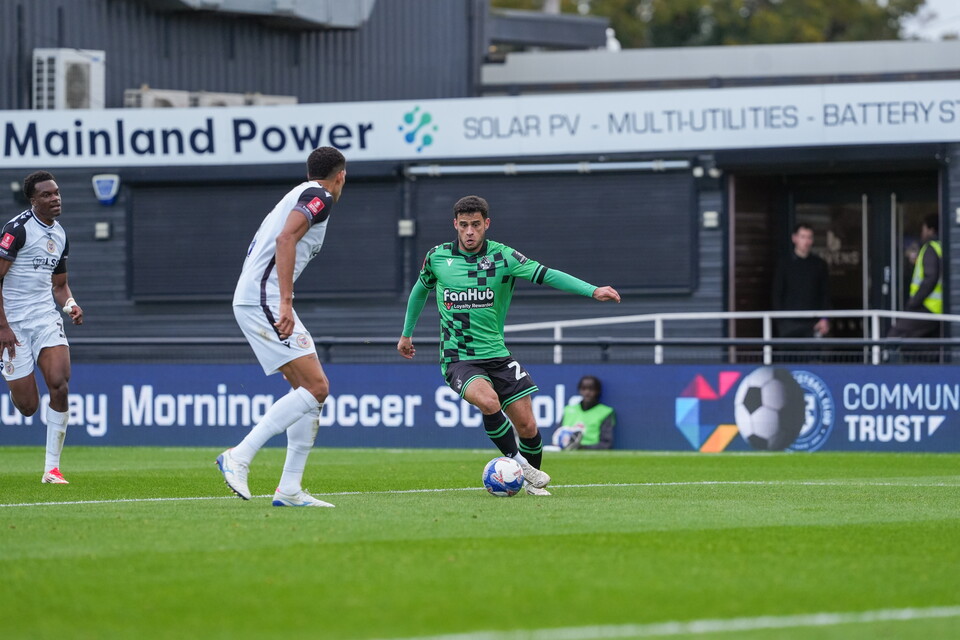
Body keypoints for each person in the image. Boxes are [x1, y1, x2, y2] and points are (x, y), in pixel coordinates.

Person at [397, 195, 621, 496]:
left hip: (498, 355)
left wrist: (592, 290)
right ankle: (521, 465)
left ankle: (532, 486)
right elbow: (419, 291)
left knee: (528, 426)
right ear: (455, 225)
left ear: (486, 224)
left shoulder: (503, 257)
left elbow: (547, 274)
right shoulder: (437, 257)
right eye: (463, 225)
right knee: (489, 402)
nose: (470, 232)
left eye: (476, 225)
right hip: (459, 357)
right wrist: (406, 334)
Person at [217, 146, 346, 508]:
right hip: (266, 299)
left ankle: (289, 488)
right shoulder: (320, 196)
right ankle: (239, 455)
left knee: (309, 393)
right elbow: (285, 239)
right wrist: (286, 302)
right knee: (317, 386)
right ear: (341, 176)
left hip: (259, 297)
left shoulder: (299, 193)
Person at [0, 171, 83, 484]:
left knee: (60, 383)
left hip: (45, 318)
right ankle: (16, 385)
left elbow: (59, 285)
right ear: (33, 200)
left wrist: (70, 304)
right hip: (11, 324)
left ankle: (52, 469)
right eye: (47, 195)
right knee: (28, 407)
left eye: (57, 192)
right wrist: (2, 327)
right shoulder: (17, 230)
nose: (55, 198)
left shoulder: (60, 235)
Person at [772, 223, 830, 341]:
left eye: (809, 237)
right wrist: (780, 321)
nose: (806, 241)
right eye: (803, 237)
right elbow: (777, 293)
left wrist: (824, 318)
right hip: (788, 324)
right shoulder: (784, 264)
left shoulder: (819, 264)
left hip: (813, 323)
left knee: (812, 353)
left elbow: (825, 293)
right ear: (794, 238)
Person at [888, 213, 942, 340]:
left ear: (930, 230)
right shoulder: (940, 247)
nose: (922, 232)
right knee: (925, 345)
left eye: (923, 228)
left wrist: (914, 302)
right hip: (936, 308)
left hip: (927, 307)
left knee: (894, 336)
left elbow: (930, 278)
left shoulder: (930, 248)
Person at [556, 375, 616, 450]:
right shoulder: (568, 410)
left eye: (591, 389)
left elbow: (606, 444)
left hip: (590, 452)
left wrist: (582, 447)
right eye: (584, 389)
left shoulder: (605, 412)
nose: (587, 392)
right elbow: (557, 435)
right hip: (565, 451)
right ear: (579, 390)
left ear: (598, 391)